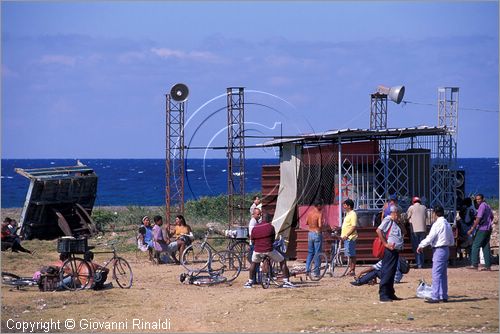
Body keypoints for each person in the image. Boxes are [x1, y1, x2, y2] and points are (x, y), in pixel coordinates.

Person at [417, 205, 455, 303]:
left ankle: (435, 296)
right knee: (443, 274)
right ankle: (443, 295)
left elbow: (430, 237)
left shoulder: (437, 224)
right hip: (446, 249)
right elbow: (451, 240)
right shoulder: (447, 223)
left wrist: (421, 245)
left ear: (434, 213)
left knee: (436, 273)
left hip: (439, 249)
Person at [244, 216, 295, 288]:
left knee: (253, 263)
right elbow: (273, 240)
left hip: (257, 250)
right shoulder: (271, 227)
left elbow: (252, 240)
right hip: (268, 250)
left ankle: (250, 282)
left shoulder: (255, 227)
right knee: (282, 261)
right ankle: (286, 281)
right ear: (269, 220)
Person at [376, 205, 405, 302]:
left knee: (392, 272)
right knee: (387, 271)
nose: (399, 215)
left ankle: (390, 293)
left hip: (396, 249)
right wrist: (385, 243)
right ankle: (383, 294)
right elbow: (379, 230)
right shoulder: (388, 220)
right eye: (398, 213)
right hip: (390, 250)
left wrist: (399, 222)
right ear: (394, 213)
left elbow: (404, 232)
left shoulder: (396, 222)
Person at [467, 194, 494, 271]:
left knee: (475, 245)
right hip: (488, 228)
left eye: (479, 199)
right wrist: (488, 222)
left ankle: (474, 264)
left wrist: (472, 228)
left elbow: (478, 218)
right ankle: (488, 265)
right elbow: (492, 217)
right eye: (477, 199)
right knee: (485, 246)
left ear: (482, 199)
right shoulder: (488, 206)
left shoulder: (482, 206)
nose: (478, 200)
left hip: (482, 229)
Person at [407, 196, 427, 269]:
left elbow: (407, 217)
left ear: (413, 202)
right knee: (421, 246)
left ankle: (419, 264)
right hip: (423, 230)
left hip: (414, 230)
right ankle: (422, 263)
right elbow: (426, 216)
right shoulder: (424, 207)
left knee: (416, 247)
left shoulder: (411, 208)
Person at [305, 201, 323, 277]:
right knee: (317, 253)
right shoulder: (319, 214)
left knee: (310, 253)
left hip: (310, 233)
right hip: (316, 233)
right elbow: (320, 225)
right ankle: (316, 272)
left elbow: (307, 222)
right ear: (318, 205)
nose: (322, 207)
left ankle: (307, 269)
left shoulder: (309, 213)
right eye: (321, 205)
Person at [341, 199, 358, 276]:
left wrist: (347, 235)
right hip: (346, 238)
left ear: (349, 206)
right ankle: (351, 269)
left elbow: (353, 226)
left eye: (345, 205)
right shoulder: (347, 214)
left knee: (352, 254)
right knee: (349, 254)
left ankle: (352, 270)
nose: (344, 206)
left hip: (350, 237)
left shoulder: (353, 214)